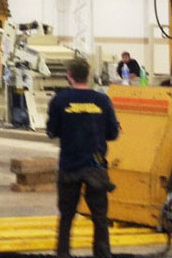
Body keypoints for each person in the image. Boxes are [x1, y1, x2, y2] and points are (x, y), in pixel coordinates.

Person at [47, 57, 119, 258]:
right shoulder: (102, 100)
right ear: (87, 75)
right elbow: (113, 133)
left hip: (70, 166)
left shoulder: (59, 100)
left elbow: (52, 131)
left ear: (69, 75)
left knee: (67, 215)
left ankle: (63, 252)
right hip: (95, 166)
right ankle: (102, 253)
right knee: (99, 217)